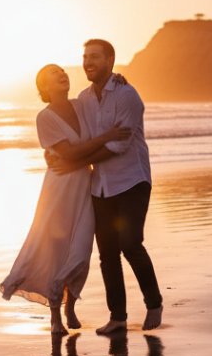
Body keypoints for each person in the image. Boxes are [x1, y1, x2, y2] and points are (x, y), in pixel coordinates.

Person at [0, 64, 130, 335]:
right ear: (44, 88)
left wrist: (116, 80)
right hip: (58, 190)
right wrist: (104, 139)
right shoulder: (44, 117)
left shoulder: (82, 104)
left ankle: (71, 302)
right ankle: (56, 315)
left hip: (86, 186)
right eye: (53, 74)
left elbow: (103, 95)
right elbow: (68, 153)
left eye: (62, 71)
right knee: (55, 250)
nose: (61, 75)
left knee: (81, 251)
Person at [52, 38, 163, 334]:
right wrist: (51, 149)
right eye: (85, 57)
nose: (88, 62)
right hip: (100, 185)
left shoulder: (127, 95)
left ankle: (154, 303)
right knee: (107, 253)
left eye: (95, 57)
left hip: (132, 180)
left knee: (130, 244)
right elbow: (66, 124)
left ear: (110, 60)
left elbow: (118, 144)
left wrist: (74, 162)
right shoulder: (84, 99)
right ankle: (118, 318)